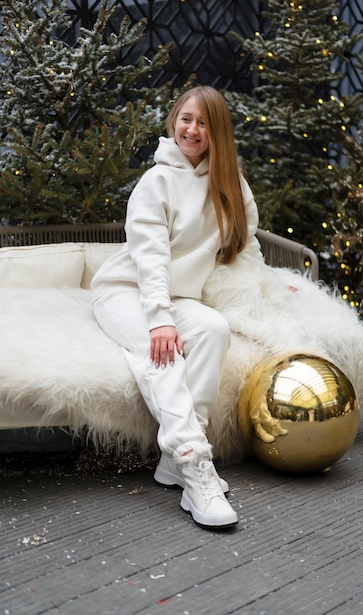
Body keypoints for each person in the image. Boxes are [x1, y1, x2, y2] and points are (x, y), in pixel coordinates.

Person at [91, 85, 264, 530]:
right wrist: (160, 321)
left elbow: (245, 248)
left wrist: (269, 296)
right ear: (174, 121)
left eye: (203, 122)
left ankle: (172, 461)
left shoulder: (231, 186)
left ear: (217, 131)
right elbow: (150, 258)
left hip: (179, 296)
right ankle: (193, 465)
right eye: (186, 118)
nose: (192, 129)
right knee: (162, 356)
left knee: (213, 328)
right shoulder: (157, 181)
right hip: (126, 290)